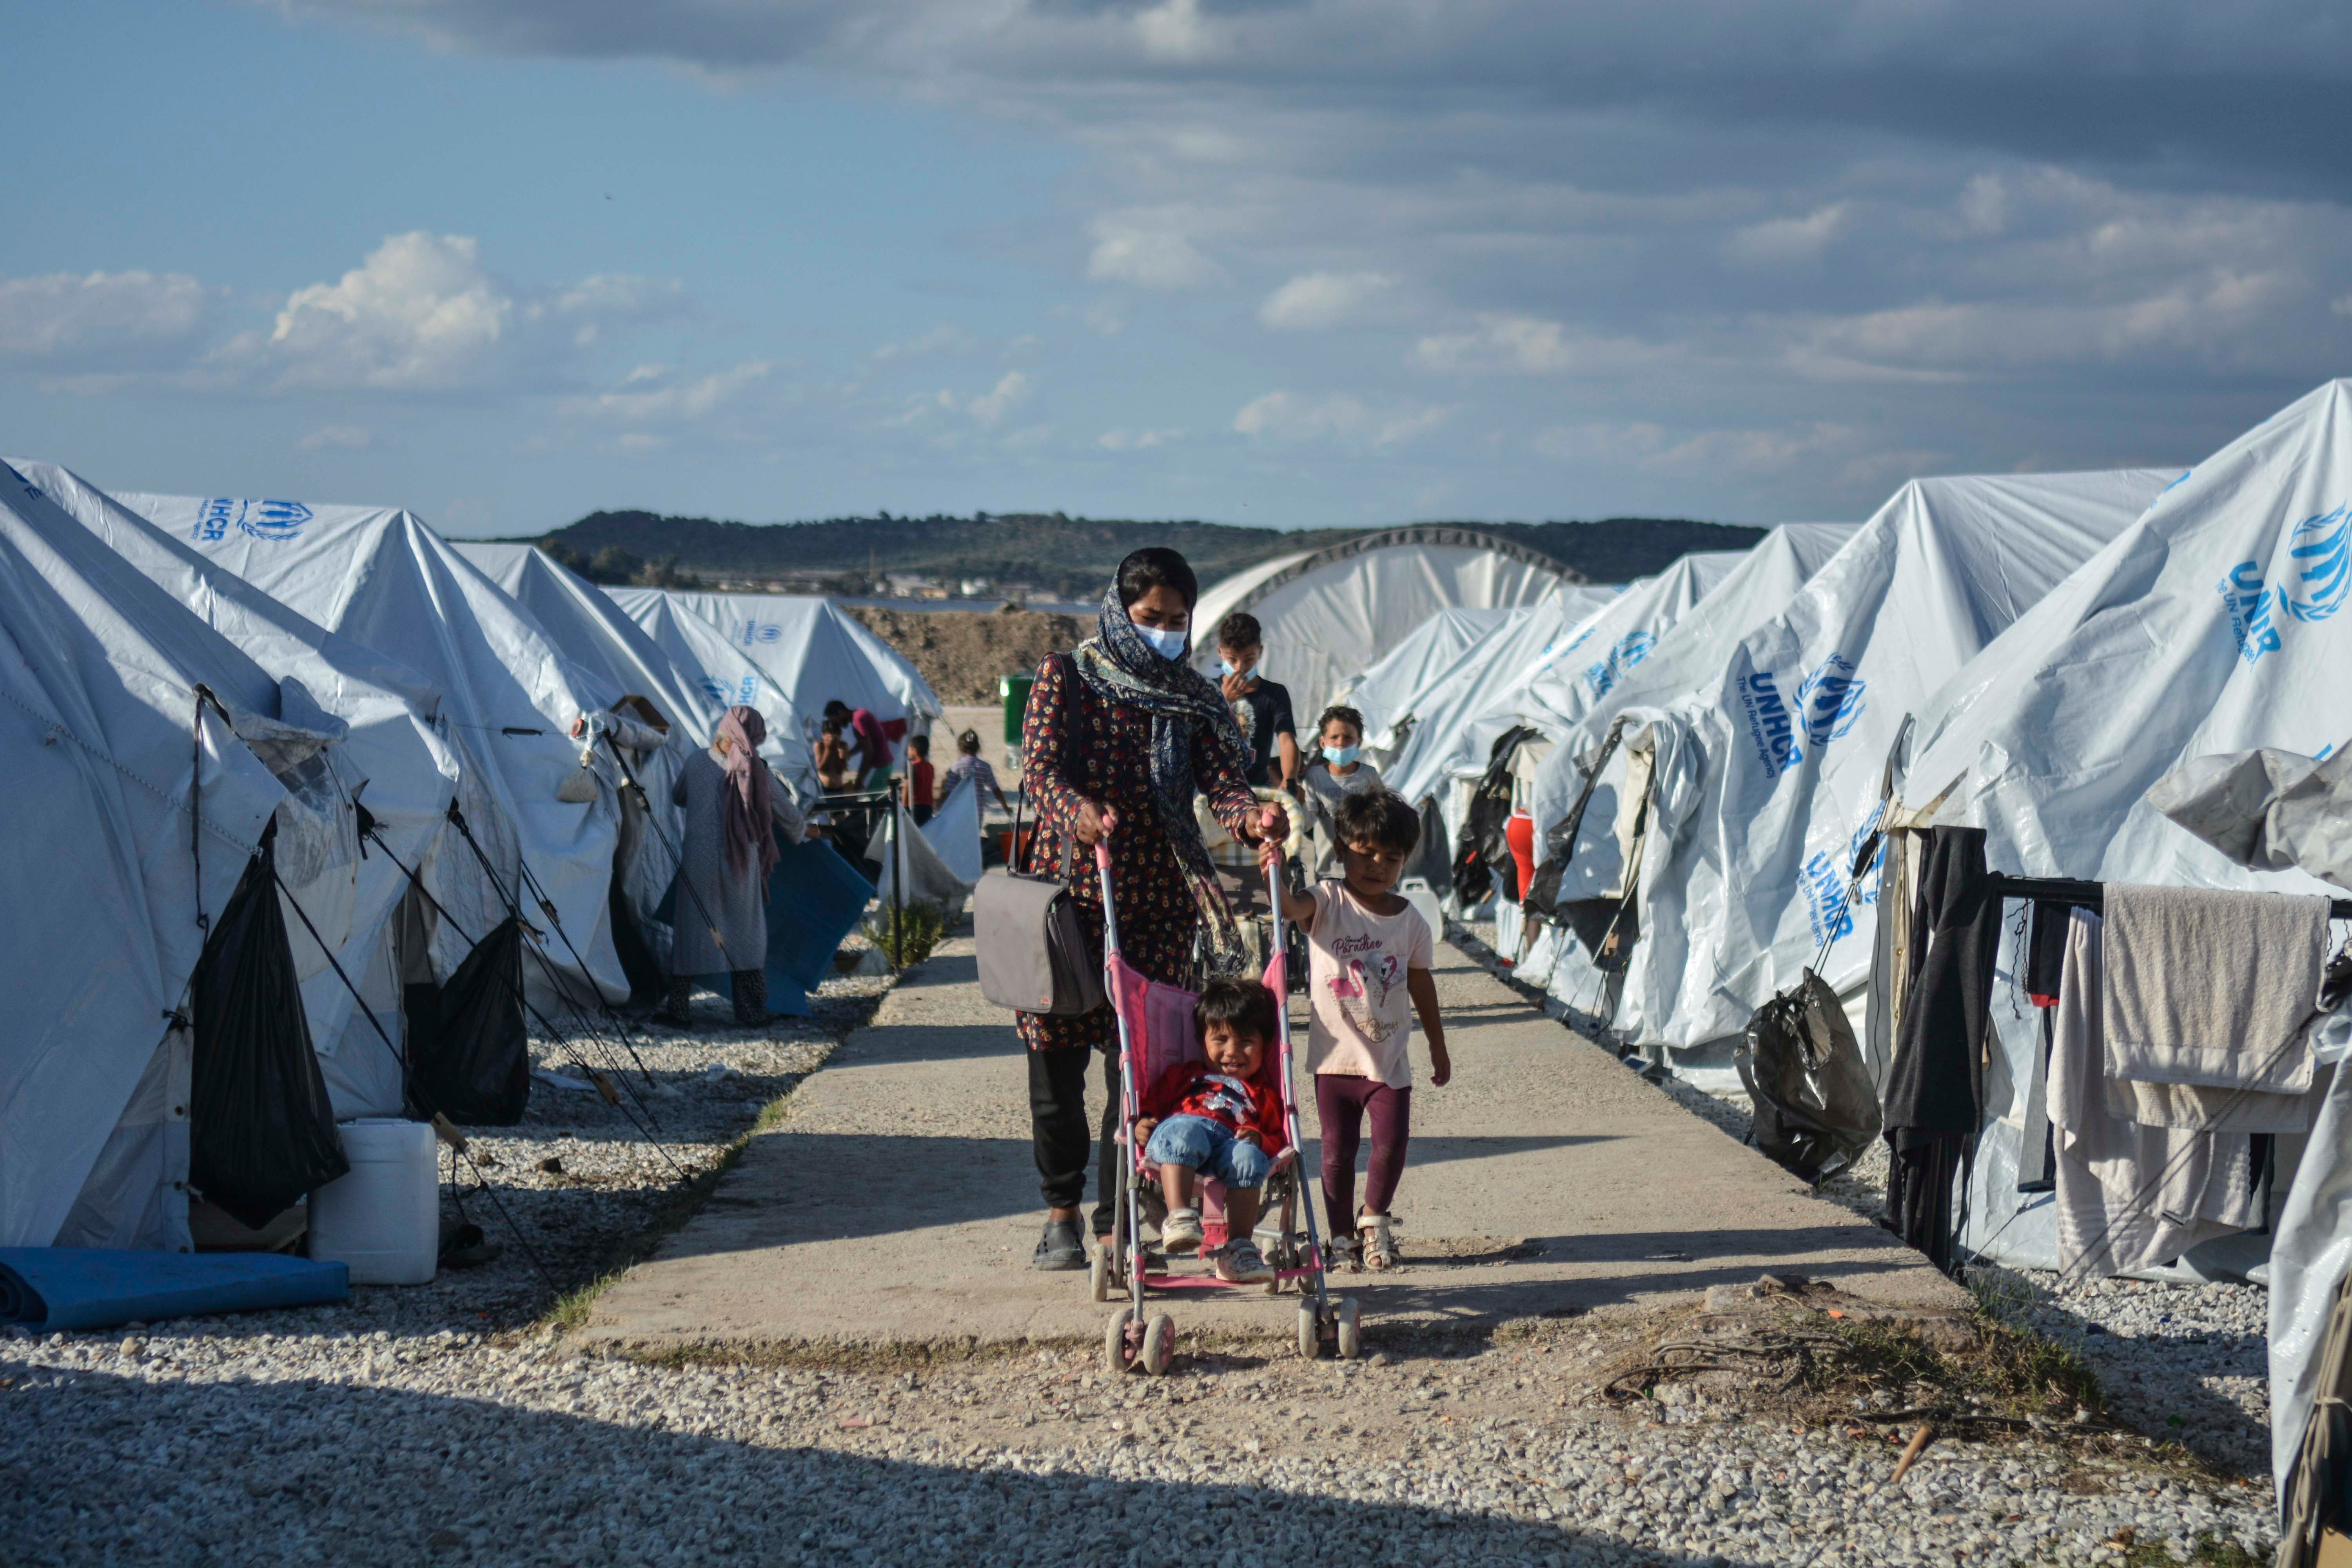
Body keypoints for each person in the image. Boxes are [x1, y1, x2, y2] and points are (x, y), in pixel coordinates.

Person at [1018, 546, 1289, 1271]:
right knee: (1056, 1069)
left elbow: (1224, 784)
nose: (1163, 632)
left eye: (1176, 620)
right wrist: (1075, 810)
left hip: (1158, 904)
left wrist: (1252, 818)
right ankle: (1059, 1212)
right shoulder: (1067, 676)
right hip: (1070, 901)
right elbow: (1038, 769)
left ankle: (1118, 1223)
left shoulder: (1193, 697)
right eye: (1149, 618)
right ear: (1119, 610)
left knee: (1137, 1070)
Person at [1262, 787, 1447, 1271]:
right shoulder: (1327, 900)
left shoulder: (1411, 922)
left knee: (1392, 1144)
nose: (1378, 865)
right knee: (1337, 1154)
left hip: (1388, 1061)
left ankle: (1375, 1221)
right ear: (1342, 851)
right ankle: (1340, 1236)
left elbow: (1422, 986)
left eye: (1392, 857)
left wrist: (1437, 1043)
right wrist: (1274, 867)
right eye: (1366, 854)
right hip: (1335, 1061)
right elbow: (1288, 906)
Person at [1133, 977, 1286, 1282]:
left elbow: (1276, 1137)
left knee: (1250, 1158)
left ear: (1264, 1045)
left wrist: (1258, 1139)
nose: (1233, 1051)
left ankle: (1239, 1250)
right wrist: (1143, 1123)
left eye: (1246, 1041)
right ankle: (1179, 1218)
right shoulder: (1184, 1075)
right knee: (1184, 1133)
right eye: (1221, 1040)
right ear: (1202, 1040)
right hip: (1182, 1132)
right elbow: (1151, 1107)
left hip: (1230, 1144)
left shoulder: (1263, 1092)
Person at [663, 706, 806, 1030]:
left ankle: (679, 1010)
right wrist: (804, 832)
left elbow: (678, 795)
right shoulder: (755, 770)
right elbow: (789, 815)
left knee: (691, 931)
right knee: (746, 934)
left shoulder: (696, 761)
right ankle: (751, 1012)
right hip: (739, 861)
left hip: (697, 859)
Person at [1298, 704, 1386, 877]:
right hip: (1329, 872)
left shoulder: (1369, 776)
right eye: (1334, 737)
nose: (1340, 743)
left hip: (1365, 871)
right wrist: (1298, 800)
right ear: (1323, 743)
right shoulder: (1315, 778)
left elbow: (1383, 820)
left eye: (1348, 738)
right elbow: (1306, 823)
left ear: (1359, 742)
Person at [1216, 612, 1298, 792]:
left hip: (1257, 790)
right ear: (1220, 652)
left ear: (1260, 652)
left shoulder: (1275, 694)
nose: (1241, 668)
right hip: (1215, 791)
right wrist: (1225, 702)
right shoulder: (1208, 690)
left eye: (1249, 660)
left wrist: (1290, 780)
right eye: (1233, 660)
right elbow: (1197, 736)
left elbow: (1287, 740)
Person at [823, 699, 898, 789]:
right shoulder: (860, 713)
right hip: (885, 765)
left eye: (836, 720)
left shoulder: (858, 720)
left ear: (841, 713)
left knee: (869, 800)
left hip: (879, 766)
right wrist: (850, 754)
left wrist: (860, 777)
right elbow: (864, 743)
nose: (838, 724)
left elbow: (869, 750)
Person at [942, 728, 1012, 814]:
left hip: (960, 812)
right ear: (978, 747)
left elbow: (948, 791)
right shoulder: (985, 767)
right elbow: (996, 789)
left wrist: (942, 809)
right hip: (978, 812)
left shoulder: (956, 767)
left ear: (961, 748)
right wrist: (1005, 807)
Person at [813, 718, 853, 794]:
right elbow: (822, 769)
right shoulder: (819, 746)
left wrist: (835, 749)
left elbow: (840, 770)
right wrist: (829, 749)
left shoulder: (843, 746)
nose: (832, 736)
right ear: (823, 735)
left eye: (836, 733)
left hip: (839, 788)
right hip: (824, 788)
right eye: (830, 733)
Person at [906, 733, 936, 826]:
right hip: (928, 805)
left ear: (914, 750)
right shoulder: (930, 767)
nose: (908, 752)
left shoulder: (914, 767)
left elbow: (907, 787)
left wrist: (904, 807)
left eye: (909, 749)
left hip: (916, 805)